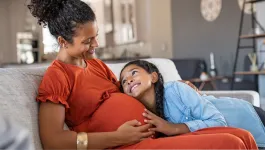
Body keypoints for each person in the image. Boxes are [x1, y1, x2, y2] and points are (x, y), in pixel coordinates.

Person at [29, 0, 259, 149]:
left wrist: (171, 87)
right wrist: (118, 137)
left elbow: (132, 92)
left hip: (154, 135)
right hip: (125, 145)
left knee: (244, 137)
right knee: (231, 144)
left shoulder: (96, 65)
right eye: (88, 41)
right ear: (62, 41)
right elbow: (53, 141)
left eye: (96, 36)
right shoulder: (57, 77)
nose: (95, 45)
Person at [120, 60, 265, 148]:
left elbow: (218, 121)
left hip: (248, 118)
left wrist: (173, 128)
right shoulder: (142, 113)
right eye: (124, 81)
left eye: (133, 73)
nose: (129, 80)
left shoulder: (176, 89)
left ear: (153, 77)